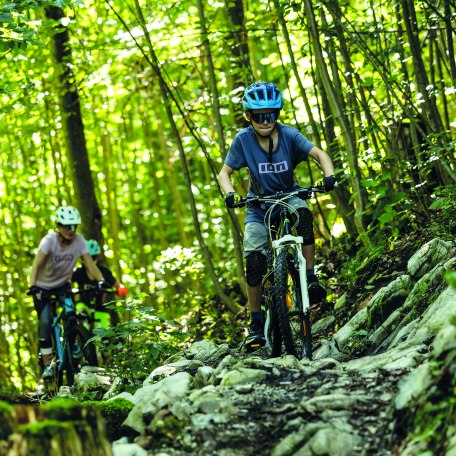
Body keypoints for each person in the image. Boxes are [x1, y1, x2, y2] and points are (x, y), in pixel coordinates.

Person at [217, 82, 337, 348]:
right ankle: (256, 323)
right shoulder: (243, 140)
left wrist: (329, 176)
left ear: (277, 115)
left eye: (270, 114)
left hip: (289, 196)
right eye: (258, 116)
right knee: (255, 261)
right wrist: (230, 194)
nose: (265, 121)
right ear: (249, 116)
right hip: (258, 206)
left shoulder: (289, 134)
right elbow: (224, 173)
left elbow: (319, 154)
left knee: (304, 215)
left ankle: (310, 276)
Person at [29, 206, 107, 380]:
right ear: (58, 226)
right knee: (46, 320)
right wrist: (34, 287)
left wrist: (101, 280)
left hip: (63, 285)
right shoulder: (49, 241)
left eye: (73, 226)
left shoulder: (79, 241)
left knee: (72, 316)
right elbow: (36, 266)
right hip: (43, 287)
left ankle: (74, 343)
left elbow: (90, 265)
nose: (70, 230)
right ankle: (48, 364)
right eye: (66, 226)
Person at [72, 239, 127, 327]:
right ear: (82, 259)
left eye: (93, 257)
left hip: (100, 308)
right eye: (86, 258)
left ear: (97, 257)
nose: (90, 261)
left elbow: (117, 284)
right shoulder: (78, 272)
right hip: (83, 305)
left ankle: (105, 340)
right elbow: (67, 281)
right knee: (80, 317)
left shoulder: (104, 272)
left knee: (105, 331)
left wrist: (121, 289)